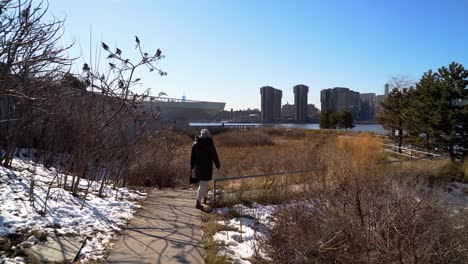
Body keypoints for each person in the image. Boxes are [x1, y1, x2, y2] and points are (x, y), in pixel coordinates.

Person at [190, 129, 220, 210]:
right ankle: (198, 203)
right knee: (203, 185)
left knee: (203, 184)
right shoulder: (209, 144)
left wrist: (192, 168)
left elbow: (192, 158)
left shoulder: (195, 144)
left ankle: (204, 199)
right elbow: (214, 156)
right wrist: (218, 165)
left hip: (198, 168)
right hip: (206, 168)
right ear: (208, 135)